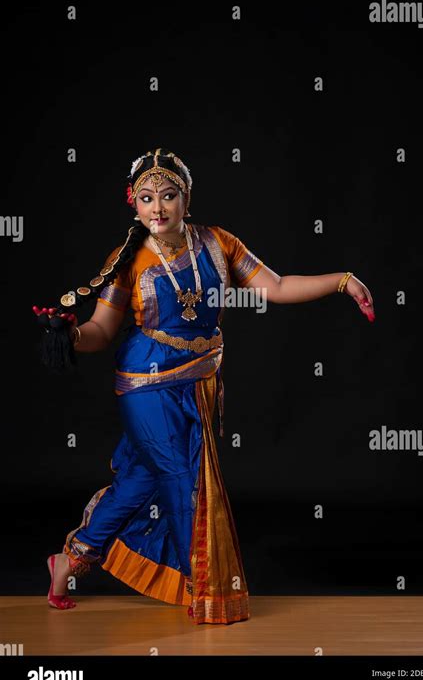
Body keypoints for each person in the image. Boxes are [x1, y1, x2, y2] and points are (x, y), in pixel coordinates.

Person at [33, 147, 375, 625]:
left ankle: (72, 558)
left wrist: (343, 281)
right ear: (134, 203)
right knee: (183, 478)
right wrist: (68, 334)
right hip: (146, 387)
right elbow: (101, 332)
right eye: (147, 198)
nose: (158, 208)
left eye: (168, 196)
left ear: (185, 199)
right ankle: (203, 585)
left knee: (140, 481)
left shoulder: (218, 244)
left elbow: (275, 288)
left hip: (199, 384)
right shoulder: (127, 260)